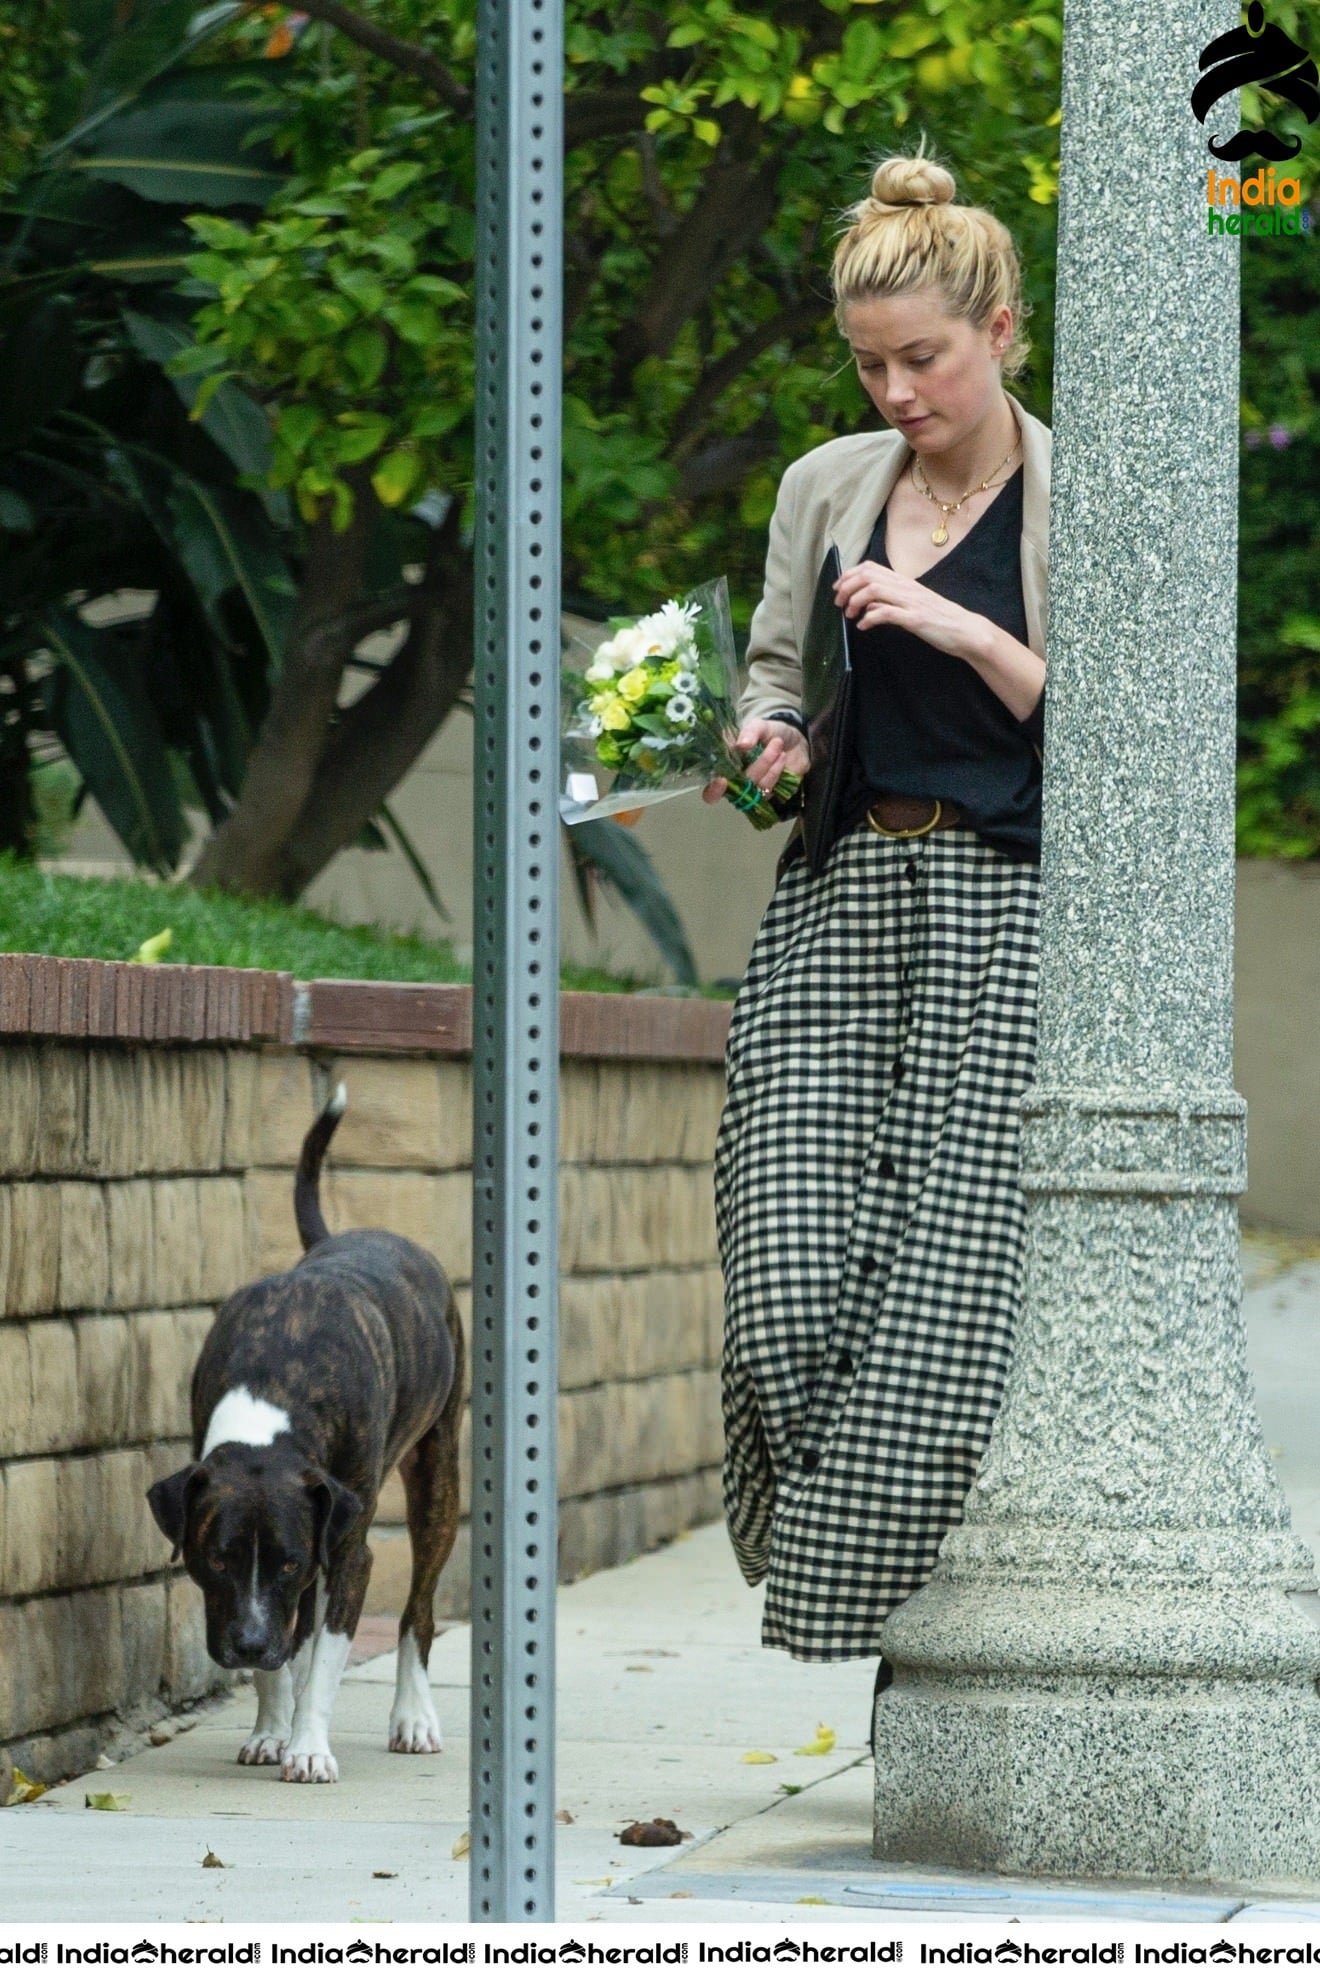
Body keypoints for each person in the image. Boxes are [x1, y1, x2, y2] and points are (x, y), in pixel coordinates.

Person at [703, 151, 1050, 1686]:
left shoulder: (1083, 492)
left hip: (1003, 915)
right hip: (838, 901)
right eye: (869, 363)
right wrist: (765, 741)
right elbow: (776, 673)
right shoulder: (825, 489)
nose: (897, 389)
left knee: (943, 1305)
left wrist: (955, 624)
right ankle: (848, 1570)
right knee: (778, 1278)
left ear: (999, 329)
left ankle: (917, 1651)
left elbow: (1132, 738)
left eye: (924, 357)